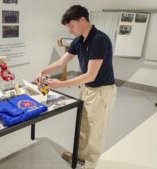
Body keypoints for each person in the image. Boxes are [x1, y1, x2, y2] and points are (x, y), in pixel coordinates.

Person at [35, 5, 117, 169]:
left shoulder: (99, 39)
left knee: (95, 130)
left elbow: (90, 75)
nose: (70, 30)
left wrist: (61, 84)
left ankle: (90, 164)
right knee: (84, 125)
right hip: (87, 89)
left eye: (71, 26)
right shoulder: (78, 40)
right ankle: (80, 155)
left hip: (102, 91)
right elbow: (61, 62)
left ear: (82, 20)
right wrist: (42, 71)